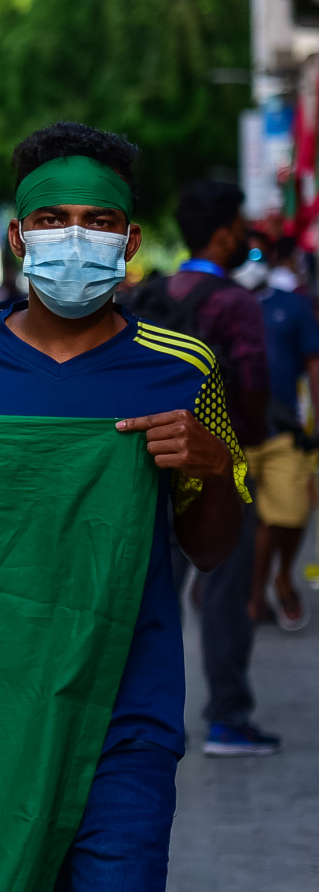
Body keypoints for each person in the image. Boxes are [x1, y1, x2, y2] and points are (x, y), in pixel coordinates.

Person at [0, 122, 250, 892]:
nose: (76, 238)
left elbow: (212, 548)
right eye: (55, 219)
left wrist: (211, 468)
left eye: (98, 220)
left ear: (131, 240)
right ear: (20, 234)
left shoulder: (181, 370)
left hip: (123, 722)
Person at [164, 181, 278, 756]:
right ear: (224, 231)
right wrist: (245, 444)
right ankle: (228, 718)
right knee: (225, 592)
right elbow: (255, 390)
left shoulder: (157, 294)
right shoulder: (234, 302)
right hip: (217, 469)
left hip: (151, 465)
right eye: (238, 225)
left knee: (153, 596)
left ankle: (151, 720)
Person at [246, 235, 319, 631]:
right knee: (255, 521)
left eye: (258, 252)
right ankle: (255, 596)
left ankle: (282, 575)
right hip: (230, 433)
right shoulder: (216, 303)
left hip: (282, 431)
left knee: (289, 514)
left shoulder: (292, 307)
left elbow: (314, 364)